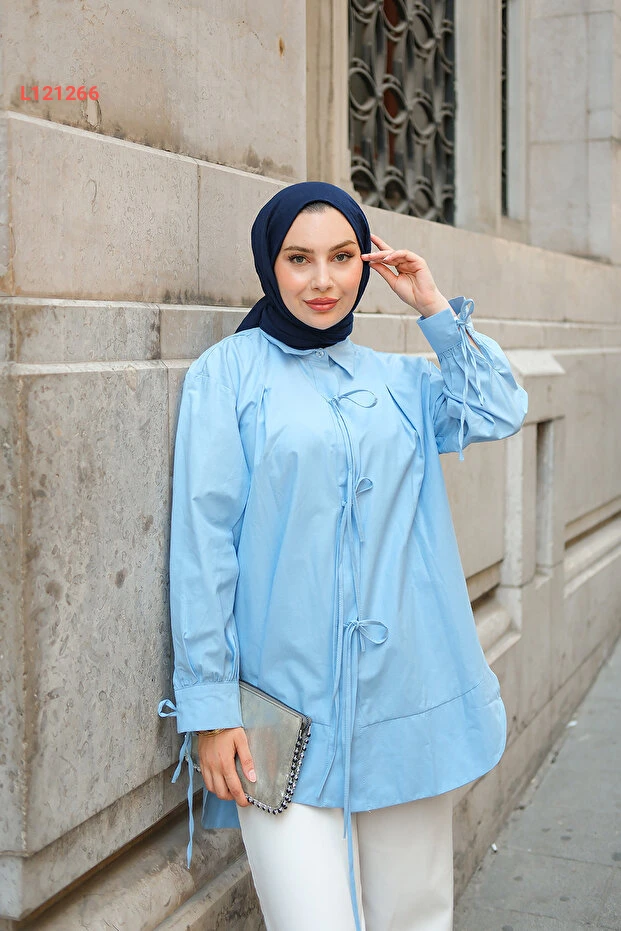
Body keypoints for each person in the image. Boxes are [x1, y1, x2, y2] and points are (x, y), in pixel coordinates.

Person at [160, 181, 528, 931]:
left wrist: (431, 306)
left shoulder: (401, 381)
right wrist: (210, 709)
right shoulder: (227, 375)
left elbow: (498, 407)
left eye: (342, 256)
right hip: (275, 707)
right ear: (269, 263)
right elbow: (203, 547)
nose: (322, 280)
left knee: (414, 915)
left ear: (366, 263)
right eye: (298, 259)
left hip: (407, 696)